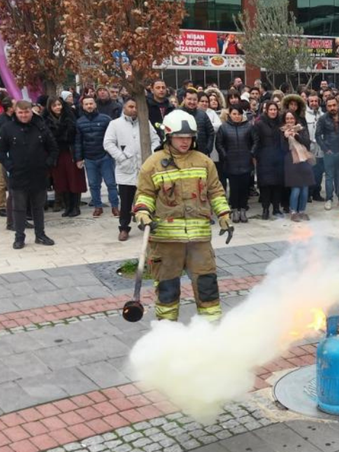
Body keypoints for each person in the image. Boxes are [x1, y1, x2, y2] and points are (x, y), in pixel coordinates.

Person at [133, 110, 232, 322]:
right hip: (166, 241)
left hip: (199, 241)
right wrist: (142, 211)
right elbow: (145, 194)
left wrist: (224, 214)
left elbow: (215, 191)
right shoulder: (153, 163)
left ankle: (211, 330)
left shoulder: (204, 162)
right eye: (180, 137)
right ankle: (168, 334)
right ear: (168, 136)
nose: (185, 142)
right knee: (167, 289)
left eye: (189, 137)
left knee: (207, 286)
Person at [0, 100, 59, 249]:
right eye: (20, 112)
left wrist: (47, 163)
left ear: (31, 111)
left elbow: (53, 148)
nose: (24, 115)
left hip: (39, 174)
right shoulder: (7, 128)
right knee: (19, 208)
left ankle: (40, 235)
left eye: (26, 112)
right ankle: (19, 237)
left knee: (38, 207)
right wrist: (11, 166)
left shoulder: (41, 126)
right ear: (15, 112)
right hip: (18, 175)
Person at [104, 97, 160, 241]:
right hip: (126, 169)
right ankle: (124, 228)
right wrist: (121, 157)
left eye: (136, 107)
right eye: (130, 106)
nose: (134, 109)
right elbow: (108, 143)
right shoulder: (115, 124)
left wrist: (150, 156)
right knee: (126, 200)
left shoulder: (145, 123)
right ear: (124, 108)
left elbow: (156, 140)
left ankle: (146, 224)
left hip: (144, 168)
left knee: (147, 198)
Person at [74, 96, 118, 217]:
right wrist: (79, 158)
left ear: (95, 104)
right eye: (86, 104)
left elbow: (113, 138)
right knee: (93, 184)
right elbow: (78, 142)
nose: (89, 106)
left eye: (91, 103)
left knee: (111, 183)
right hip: (89, 158)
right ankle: (98, 207)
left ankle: (115, 206)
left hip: (105, 157)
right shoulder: (79, 122)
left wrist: (112, 153)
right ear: (83, 106)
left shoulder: (106, 119)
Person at [44, 97, 86, 218]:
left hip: (70, 153)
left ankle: (75, 207)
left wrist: (79, 157)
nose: (58, 107)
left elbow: (77, 139)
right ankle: (67, 207)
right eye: (54, 105)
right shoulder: (46, 121)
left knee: (74, 180)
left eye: (59, 104)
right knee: (61, 181)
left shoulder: (70, 117)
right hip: (57, 155)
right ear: (50, 108)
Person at [215, 104, 257, 223]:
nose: (237, 116)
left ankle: (243, 209)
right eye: (234, 114)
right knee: (234, 188)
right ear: (230, 115)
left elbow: (255, 141)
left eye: (239, 114)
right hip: (231, 162)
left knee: (244, 188)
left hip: (245, 161)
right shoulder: (224, 127)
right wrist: (225, 155)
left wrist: (251, 153)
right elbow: (219, 143)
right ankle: (234, 210)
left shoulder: (248, 127)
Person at [281, 111, 314, 222]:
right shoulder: (281, 131)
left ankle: (302, 211)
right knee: (296, 188)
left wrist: (296, 136)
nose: (290, 120)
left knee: (305, 188)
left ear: (295, 119)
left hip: (304, 159)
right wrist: (285, 138)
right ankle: (293, 211)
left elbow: (307, 143)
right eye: (287, 118)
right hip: (291, 161)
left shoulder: (301, 129)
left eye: (292, 118)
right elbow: (282, 149)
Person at [254, 102, 285, 220]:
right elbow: (256, 141)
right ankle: (265, 208)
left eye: (275, 109)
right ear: (266, 110)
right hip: (264, 158)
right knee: (265, 186)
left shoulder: (280, 123)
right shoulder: (259, 124)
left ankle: (276, 208)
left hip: (278, 157)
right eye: (271, 109)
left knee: (277, 184)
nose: (273, 111)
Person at [315, 96, 339, 211]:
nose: (332, 108)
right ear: (326, 106)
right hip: (329, 151)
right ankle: (329, 199)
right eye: (329, 106)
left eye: (334, 105)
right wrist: (325, 148)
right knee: (329, 176)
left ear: (338, 105)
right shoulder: (323, 119)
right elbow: (317, 135)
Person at [179, 88, 215, 156]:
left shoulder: (203, 114)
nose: (192, 102)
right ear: (184, 99)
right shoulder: (177, 113)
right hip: (182, 154)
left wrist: (208, 149)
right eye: (189, 99)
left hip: (201, 153)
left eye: (194, 100)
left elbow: (211, 133)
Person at [304, 92, 325, 202]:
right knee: (309, 171)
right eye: (311, 101)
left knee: (319, 172)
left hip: (320, 148)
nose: (314, 103)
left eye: (316, 101)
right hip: (310, 147)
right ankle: (308, 193)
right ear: (308, 102)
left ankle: (316, 192)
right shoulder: (305, 115)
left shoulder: (323, 115)